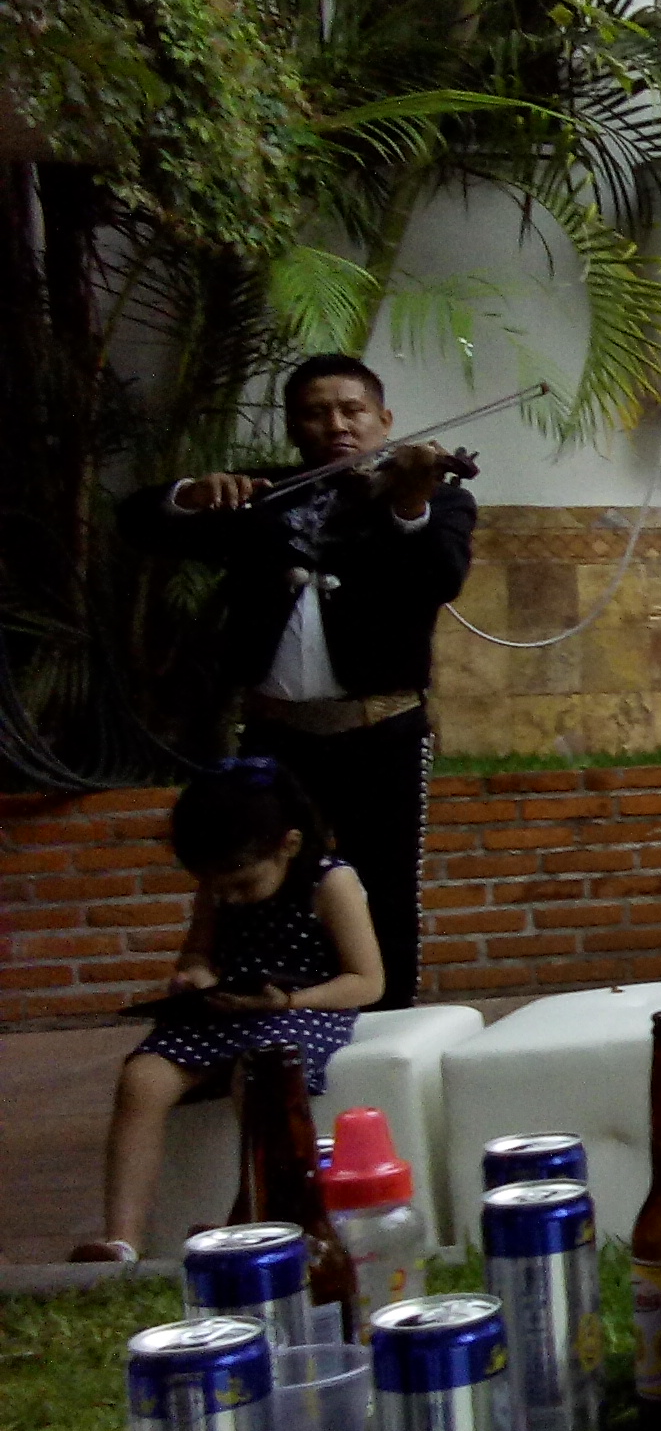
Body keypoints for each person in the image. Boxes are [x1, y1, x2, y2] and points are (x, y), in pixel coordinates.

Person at [120, 353, 477, 1009]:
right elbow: (136, 521)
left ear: (383, 420)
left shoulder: (436, 497)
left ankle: (386, 1027)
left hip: (381, 731)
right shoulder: (260, 496)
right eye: (316, 413)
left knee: (385, 884)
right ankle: (253, 1013)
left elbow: (440, 576)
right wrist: (188, 495)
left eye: (352, 410)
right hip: (276, 739)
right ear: (294, 427)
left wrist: (410, 501)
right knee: (259, 875)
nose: (336, 424)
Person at [71, 760, 385, 1263]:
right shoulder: (220, 884)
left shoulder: (330, 884)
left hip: (301, 1009)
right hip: (227, 1009)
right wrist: (195, 977)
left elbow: (367, 981)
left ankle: (255, 1219)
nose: (229, 897)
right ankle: (122, 1240)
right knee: (142, 1079)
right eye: (216, 886)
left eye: (242, 884)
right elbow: (197, 953)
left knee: (258, 1074)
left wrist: (289, 1000)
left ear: (289, 844)